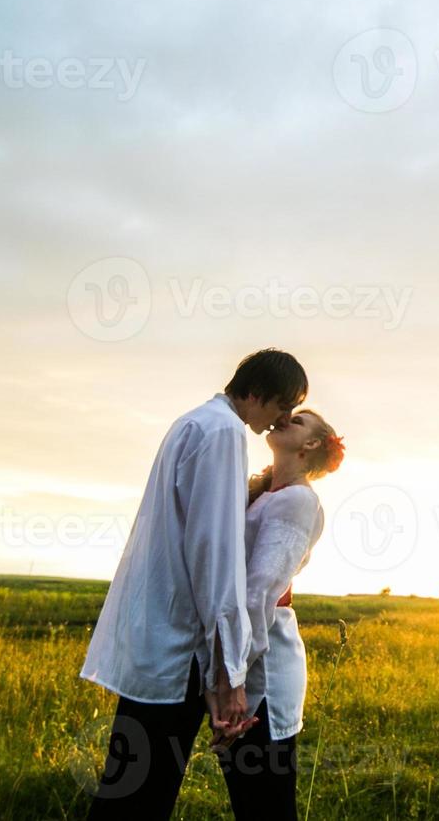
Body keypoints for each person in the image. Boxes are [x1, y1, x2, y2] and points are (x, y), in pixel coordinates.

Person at [81, 348, 308, 820]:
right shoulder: (224, 432)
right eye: (284, 404)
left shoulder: (195, 421)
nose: (282, 419)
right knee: (141, 793)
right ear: (257, 391)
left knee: (129, 785)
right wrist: (231, 671)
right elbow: (214, 553)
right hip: (179, 644)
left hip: (158, 635)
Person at [212, 408, 344, 821]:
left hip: (263, 668)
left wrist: (228, 676)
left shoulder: (299, 500)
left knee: (267, 803)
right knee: (247, 799)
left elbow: (258, 593)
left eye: (300, 420)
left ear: (310, 445)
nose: (286, 417)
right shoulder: (266, 494)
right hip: (242, 660)